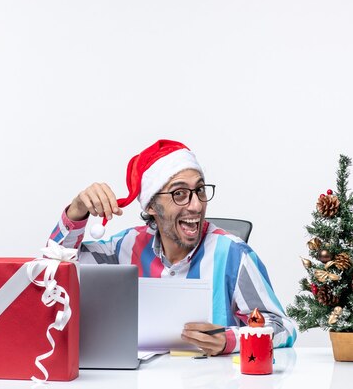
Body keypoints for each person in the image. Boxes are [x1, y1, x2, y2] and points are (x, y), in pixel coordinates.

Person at [48, 139, 296, 355]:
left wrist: (229, 340)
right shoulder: (124, 247)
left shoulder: (233, 254)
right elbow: (54, 272)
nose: (196, 206)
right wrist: (77, 211)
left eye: (199, 190)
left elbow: (283, 328)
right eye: (179, 194)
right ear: (151, 206)